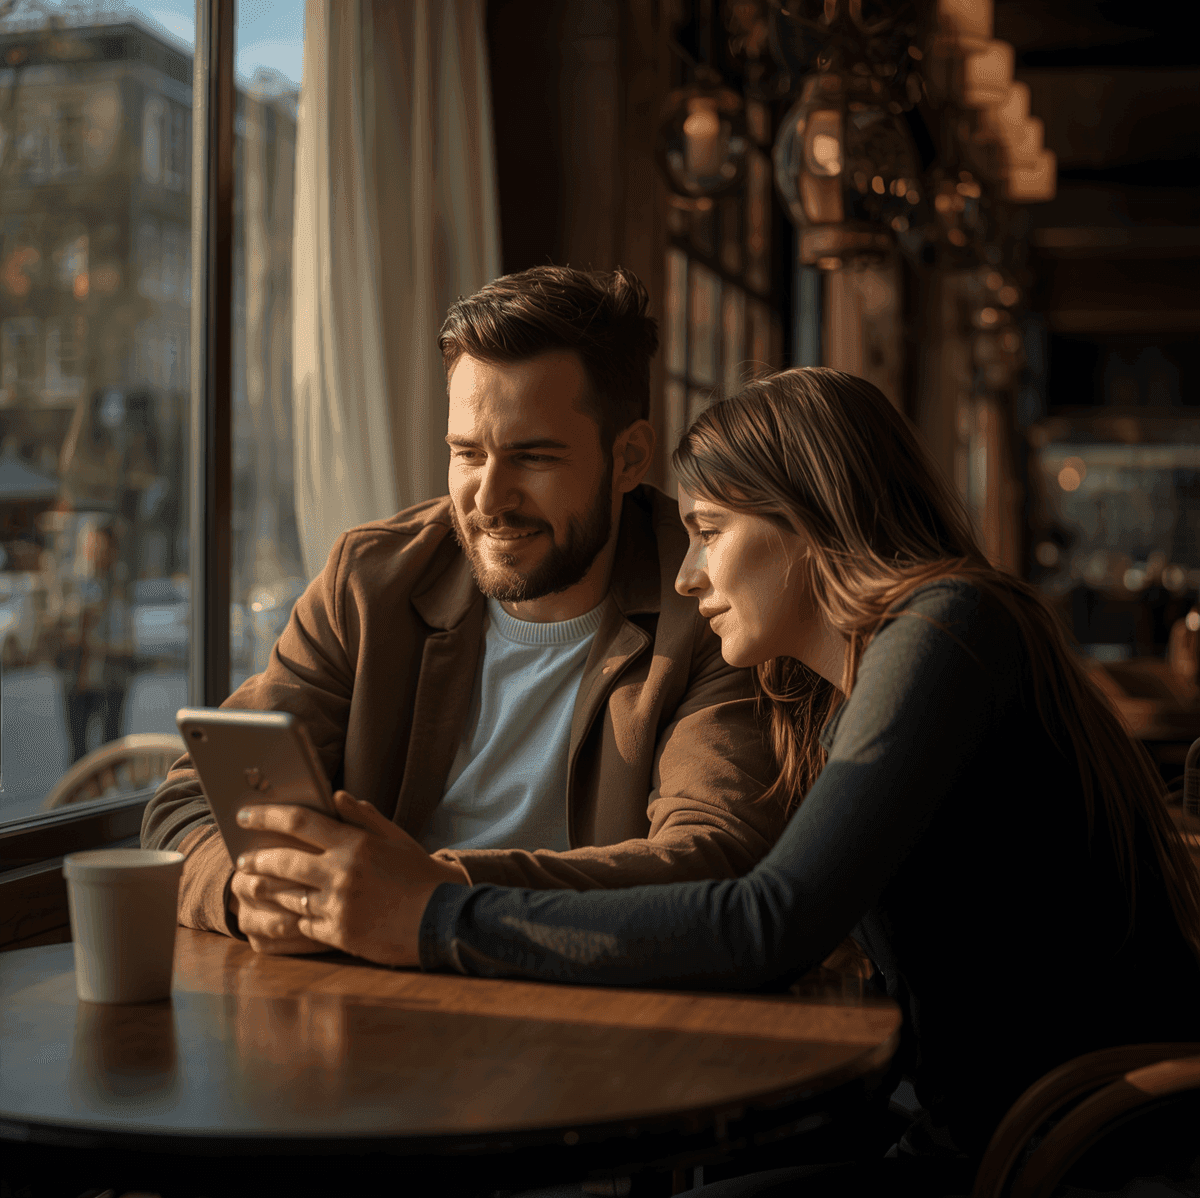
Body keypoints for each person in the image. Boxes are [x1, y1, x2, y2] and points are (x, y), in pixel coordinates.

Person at [233, 367, 1200, 1194]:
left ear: (810, 519)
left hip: (1063, 1155)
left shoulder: (947, 628)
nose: (689, 578)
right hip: (980, 1132)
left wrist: (432, 915)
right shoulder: (852, 679)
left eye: (708, 530)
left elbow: (763, 922)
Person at [142, 266, 791, 959]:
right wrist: (244, 892)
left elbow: (711, 857)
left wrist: (432, 892)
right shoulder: (369, 583)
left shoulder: (709, 604)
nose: (489, 497)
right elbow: (184, 807)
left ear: (627, 456)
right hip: (364, 997)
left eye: (533, 457)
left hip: (589, 1005)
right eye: (467, 454)